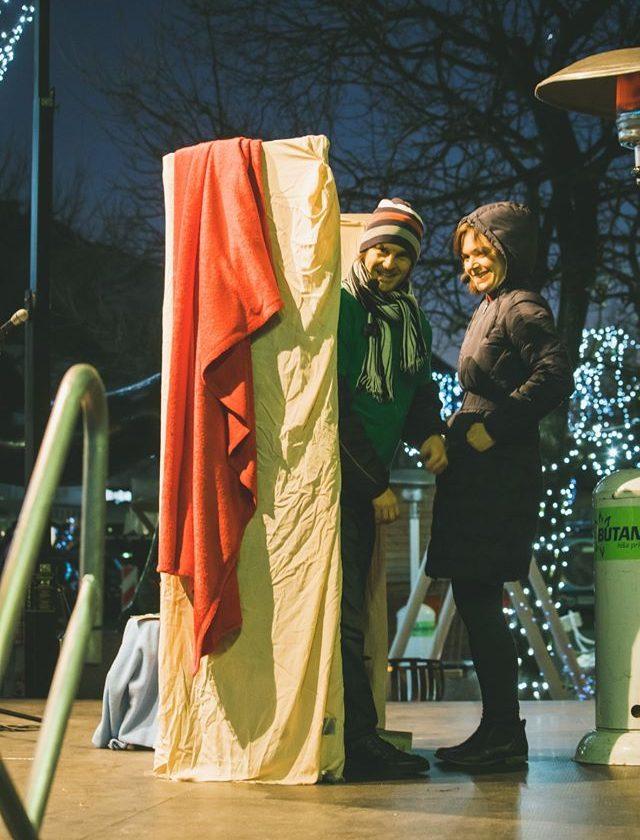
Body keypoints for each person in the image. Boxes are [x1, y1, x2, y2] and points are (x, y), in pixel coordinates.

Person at [426, 201, 574, 768]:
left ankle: (504, 734)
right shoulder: (492, 307)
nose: (472, 263)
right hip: (478, 474)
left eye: (482, 251)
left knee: (481, 601)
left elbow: (555, 372)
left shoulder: (520, 305)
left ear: (508, 248)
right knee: (477, 600)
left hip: (497, 475)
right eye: (466, 255)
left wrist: (494, 428)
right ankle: (498, 730)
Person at [338, 197, 447, 780]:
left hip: (367, 484)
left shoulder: (412, 321)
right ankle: (356, 742)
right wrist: (374, 484)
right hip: (337, 484)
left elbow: (418, 391)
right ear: (364, 250)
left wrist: (430, 434)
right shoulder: (342, 306)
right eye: (380, 249)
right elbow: (334, 405)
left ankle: (360, 733)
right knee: (344, 617)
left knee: (356, 616)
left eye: (401, 256)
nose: (388, 263)